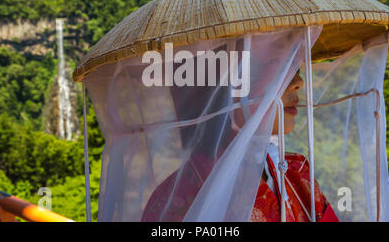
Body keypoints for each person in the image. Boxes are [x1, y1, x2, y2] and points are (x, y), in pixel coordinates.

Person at [142, 69, 339, 222]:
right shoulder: (178, 198)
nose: (299, 82)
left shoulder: (297, 171)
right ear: (226, 83)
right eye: (279, 64)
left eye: (296, 68)